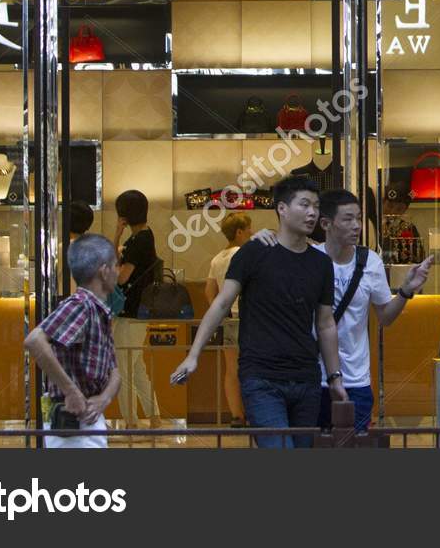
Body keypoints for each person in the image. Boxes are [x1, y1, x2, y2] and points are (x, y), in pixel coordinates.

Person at [171, 176, 347, 448]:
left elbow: (325, 324)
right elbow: (220, 303)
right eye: (304, 204)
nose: (312, 212)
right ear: (282, 209)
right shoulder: (254, 252)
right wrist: (193, 356)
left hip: (306, 378)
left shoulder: (321, 263)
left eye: (316, 205)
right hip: (261, 377)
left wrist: (335, 377)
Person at [252, 189, 434, 432]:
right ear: (326, 223)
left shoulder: (370, 261)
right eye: (348, 219)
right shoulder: (308, 258)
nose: (357, 226)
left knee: (353, 446)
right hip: (310, 377)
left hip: (355, 380)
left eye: (358, 218)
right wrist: (262, 237)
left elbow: (385, 317)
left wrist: (405, 291)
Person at [23, 234, 121, 449]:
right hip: (74, 422)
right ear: (104, 271)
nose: (118, 272)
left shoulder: (99, 311)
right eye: (115, 265)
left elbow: (115, 372)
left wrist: (104, 398)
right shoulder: (81, 305)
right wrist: (71, 391)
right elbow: (34, 340)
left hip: (89, 418)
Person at [112, 189, 163, 430]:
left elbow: (121, 278)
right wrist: (118, 237)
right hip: (139, 313)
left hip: (128, 314)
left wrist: (116, 237)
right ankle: (154, 415)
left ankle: (131, 421)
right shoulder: (146, 236)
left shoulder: (137, 241)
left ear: (124, 214)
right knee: (137, 366)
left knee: (123, 369)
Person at [206, 212, 254, 426]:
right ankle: (256, 412)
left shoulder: (217, 258)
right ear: (239, 232)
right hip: (249, 317)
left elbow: (209, 291)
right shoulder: (244, 254)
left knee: (231, 369)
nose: (252, 233)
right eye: (249, 229)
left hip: (227, 318)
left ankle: (237, 415)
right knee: (254, 367)